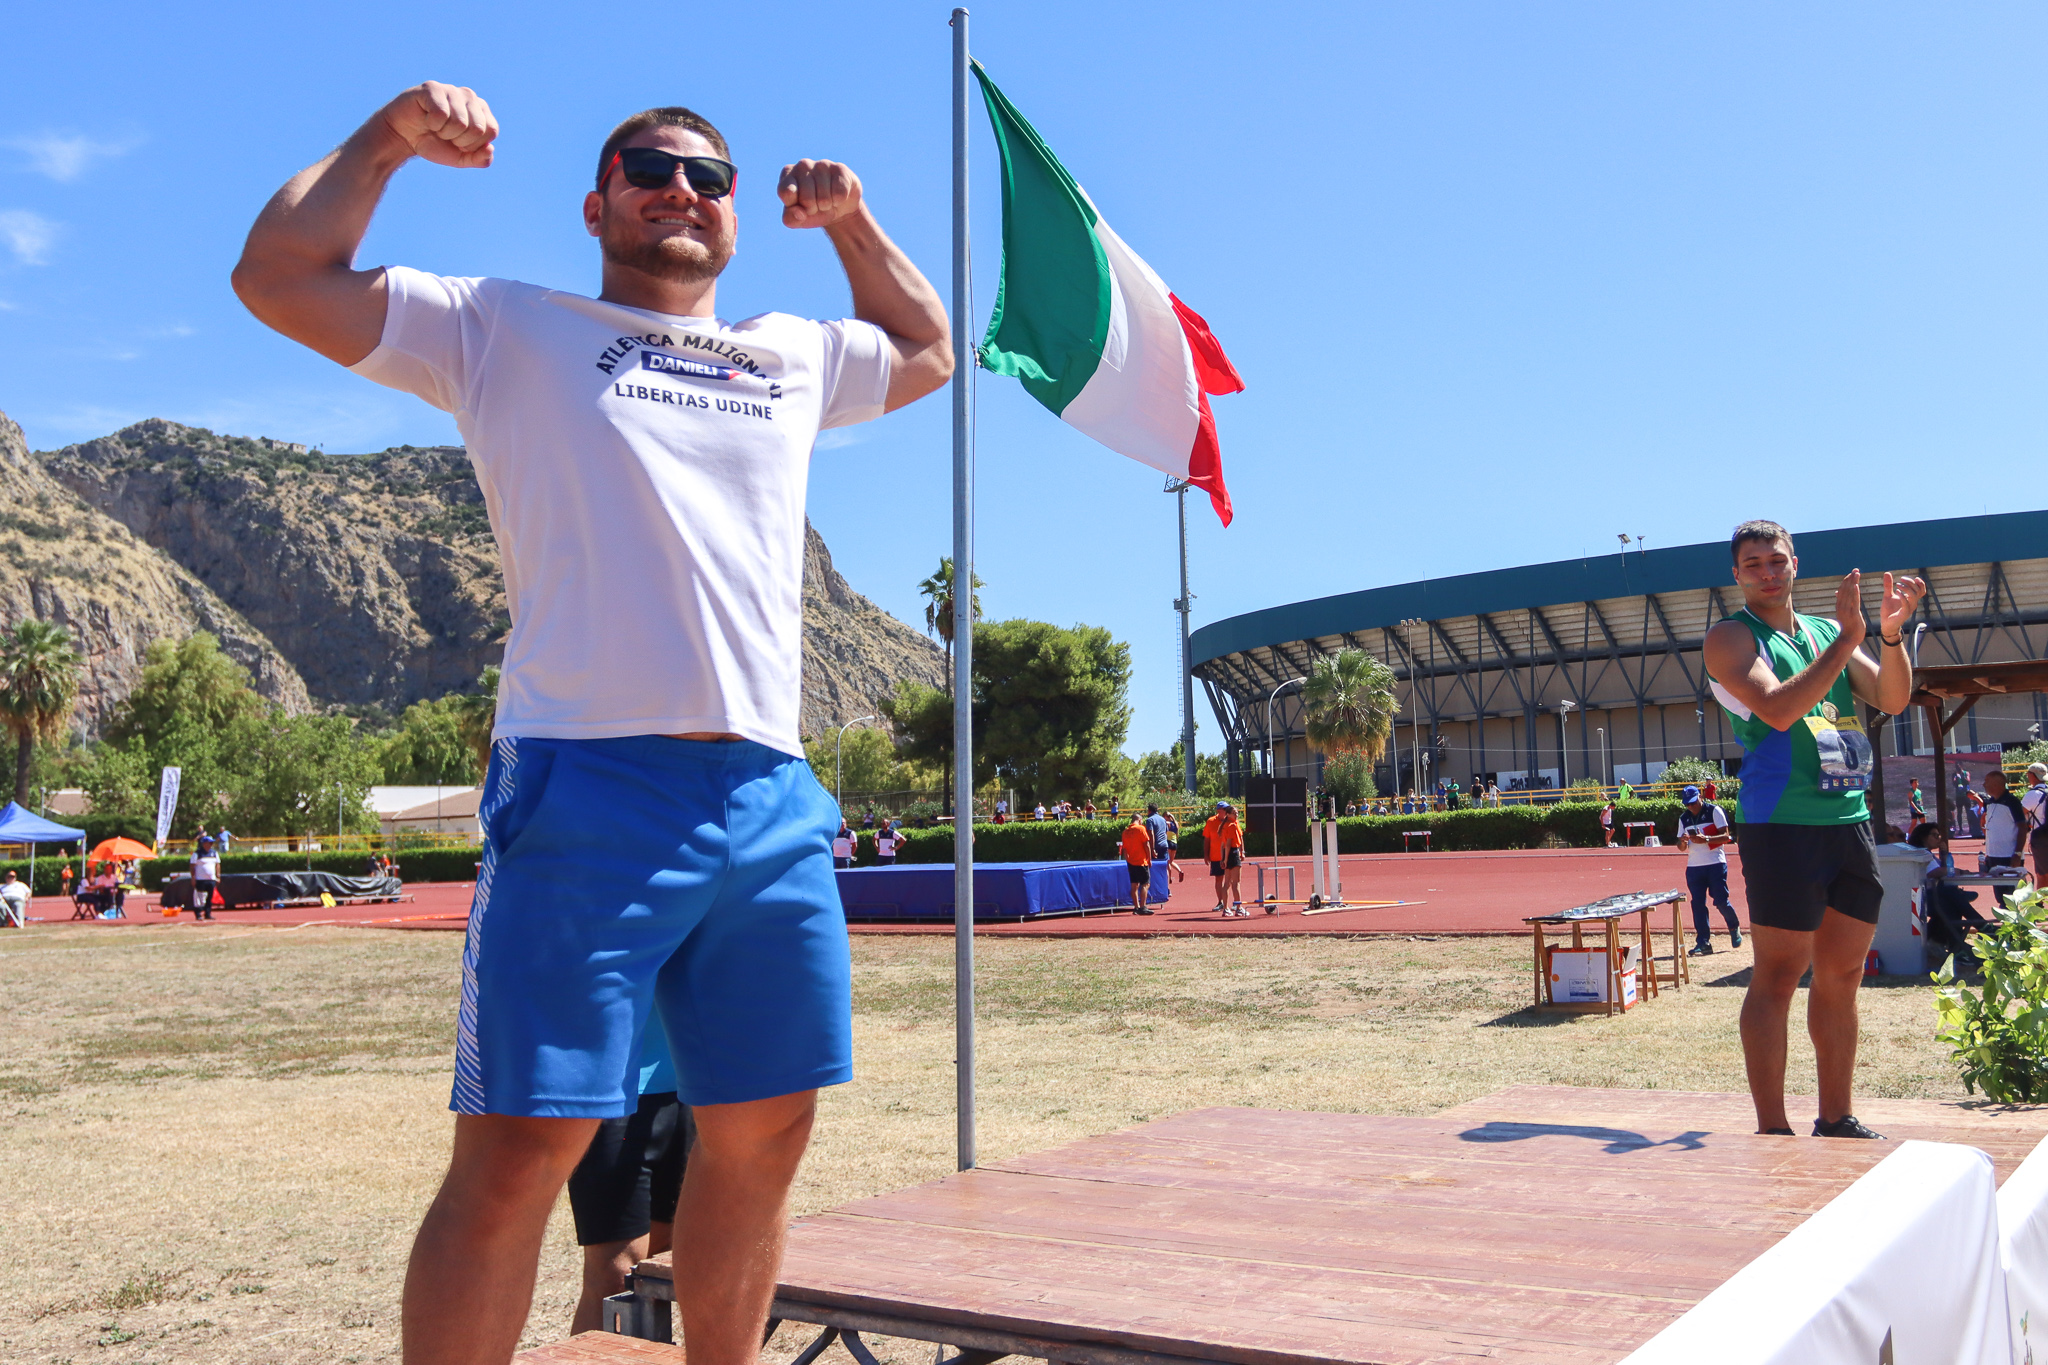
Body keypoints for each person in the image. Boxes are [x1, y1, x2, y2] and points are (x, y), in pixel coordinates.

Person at [232, 82, 950, 1365]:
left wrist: (849, 221)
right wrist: (388, 138)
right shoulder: (503, 327)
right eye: (647, 168)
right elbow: (279, 273)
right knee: (522, 1148)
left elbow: (927, 346)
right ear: (596, 203)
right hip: (586, 781)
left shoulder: (789, 353)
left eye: (707, 177)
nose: (679, 189)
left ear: (734, 215)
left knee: (765, 1133)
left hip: (769, 792)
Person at [1703, 519, 1923, 1140]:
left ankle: (1836, 1117)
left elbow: (1893, 697)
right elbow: (1778, 709)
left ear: (1795, 563)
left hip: (1847, 820)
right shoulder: (1730, 636)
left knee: (1843, 976)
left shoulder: (1827, 632)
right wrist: (1849, 639)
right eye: (1754, 564)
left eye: (1777, 560)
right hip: (1782, 824)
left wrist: (1888, 635)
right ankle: (1773, 1128)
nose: (1768, 573)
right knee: (1778, 976)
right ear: (1737, 575)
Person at [567, 1016, 694, 1336]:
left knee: (660, 1265)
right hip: (608, 1088)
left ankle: (646, 1353)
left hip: (688, 1081)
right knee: (615, 1274)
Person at [1676, 785, 1741, 955]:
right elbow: (1681, 847)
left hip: (1715, 863)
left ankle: (1733, 926)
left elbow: (1726, 836)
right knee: (1697, 903)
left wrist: (1706, 839)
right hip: (1694, 867)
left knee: (1720, 900)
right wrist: (1683, 841)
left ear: (1700, 797)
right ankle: (1703, 942)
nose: (1690, 806)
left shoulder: (1714, 811)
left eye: (1693, 802)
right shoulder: (1684, 818)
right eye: (1687, 804)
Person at [1981, 770, 2029, 878]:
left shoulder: (2012, 802)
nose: (1984, 784)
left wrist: (2017, 854)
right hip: (1992, 857)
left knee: (2011, 888)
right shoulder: (1989, 802)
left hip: (2009, 857)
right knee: (1998, 889)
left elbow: (2023, 828)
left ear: (1996, 784)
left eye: (1987, 781)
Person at [1202, 801, 1245, 916]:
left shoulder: (1225, 825)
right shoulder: (1230, 825)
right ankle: (1237, 907)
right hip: (1231, 854)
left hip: (1226, 855)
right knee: (1235, 883)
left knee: (1227, 883)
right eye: (1234, 813)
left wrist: (1223, 858)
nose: (1237, 815)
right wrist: (1225, 859)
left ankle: (1227, 908)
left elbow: (1223, 844)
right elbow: (1227, 844)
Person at [1119, 813, 1156, 915]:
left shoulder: (1125, 832)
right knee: (1145, 883)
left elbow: (1125, 849)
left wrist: (1128, 860)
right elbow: (1146, 844)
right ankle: (1143, 906)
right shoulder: (1141, 829)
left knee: (1134, 885)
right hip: (1141, 861)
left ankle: (1136, 907)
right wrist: (1149, 859)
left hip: (1131, 862)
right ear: (1139, 820)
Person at [2024, 763, 2048, 883]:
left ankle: (2041, 896)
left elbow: (2018, 814)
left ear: (2032, 775)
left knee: (2042, 874)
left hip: (2041, 838)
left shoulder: (2032, 795)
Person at [189, 841, 220, 921]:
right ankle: (198, 914)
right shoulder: (197, 853)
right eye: (209, 843)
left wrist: (218, 876)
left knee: (209, 897)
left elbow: (217, 865)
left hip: (211, 879)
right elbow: (192, 866)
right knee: (200, 897)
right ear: (204, 844)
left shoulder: (214, 853)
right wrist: (193, 877)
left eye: (211, 843)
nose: (210, 845)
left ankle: (208, 913)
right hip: (200, 879)